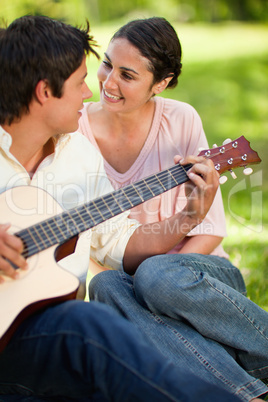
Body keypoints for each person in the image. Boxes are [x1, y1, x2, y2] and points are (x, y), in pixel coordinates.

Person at [0, 14, 247, 402]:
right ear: (45, 91)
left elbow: (117, 239)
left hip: (38, 335)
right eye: (82, 80)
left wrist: (188, 217)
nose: (92, 90)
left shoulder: (78, 155)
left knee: (106, 321)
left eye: (126, 74)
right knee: (94, 315)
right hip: (46, 334)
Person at [77, 17, 268, 401]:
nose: (108, 82)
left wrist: (155, 282)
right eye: (107, 64)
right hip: (123, 284)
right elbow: (86, 250)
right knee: (105, 284)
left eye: (127, 75)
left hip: (200, 283)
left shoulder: (179, 119)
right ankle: (249, 394)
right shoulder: (74, 129)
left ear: (159, 84)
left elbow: (210, 229)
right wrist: (140, 288)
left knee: (156, 277)